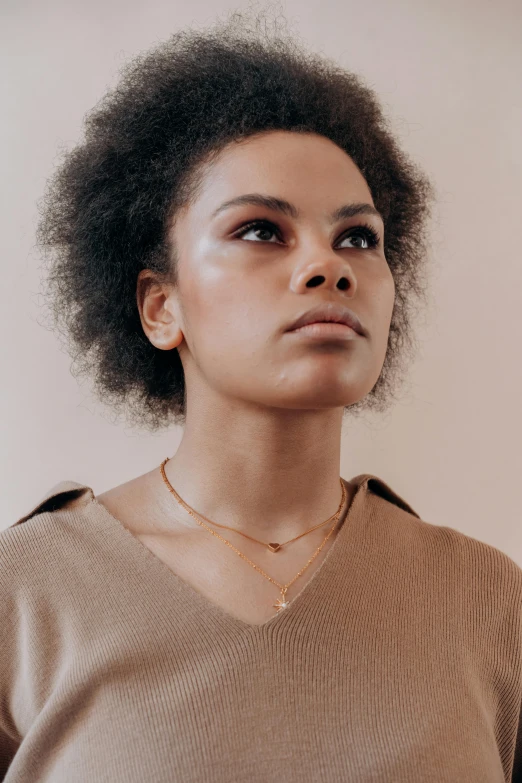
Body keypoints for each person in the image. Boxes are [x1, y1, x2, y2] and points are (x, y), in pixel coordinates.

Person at [1, 7, 521, 782]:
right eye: (259, 230)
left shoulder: (489, 603)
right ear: (159, 305)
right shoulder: (25, 594)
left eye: (358, 238)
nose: (329, 266)